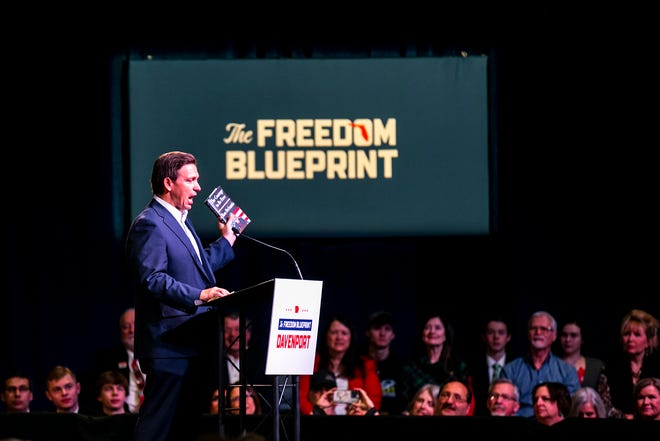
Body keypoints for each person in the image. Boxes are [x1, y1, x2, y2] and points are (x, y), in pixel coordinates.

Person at [126, 151, 239, 441]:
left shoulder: (181, 220)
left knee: (183, 429)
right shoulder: (149, 224)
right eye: (191, 180)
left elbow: (198, 267)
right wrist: (201, 294)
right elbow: (152, 279)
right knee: (156, 428)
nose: (199, 188)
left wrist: (227, 240)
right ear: (168, 183)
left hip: (192, 344)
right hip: (169, 346)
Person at [299, 314, 382, 416]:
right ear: (326, 335)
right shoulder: (312, 362)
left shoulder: (365, 364)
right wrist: (315, 415)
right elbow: (300, 397)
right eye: (334, 332)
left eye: (344, 333)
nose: (339, 337)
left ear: (351, 337)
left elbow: (374, 400)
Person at [501, 310, 580, 417]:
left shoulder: (567, 371)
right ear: (528, 334)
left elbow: (571, 407)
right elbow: (503, 405)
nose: (538, 332)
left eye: (544, 329)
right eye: (534, 328)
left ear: (554, 336)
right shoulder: (510, 370)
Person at [399, 311, 472, 412]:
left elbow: (464, 399)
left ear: (446, 334)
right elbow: (404, 401)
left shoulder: (458, 366)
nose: (432, 332)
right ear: (422, 334)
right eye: (427, 328)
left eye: (437, 328)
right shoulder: (410, 367)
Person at [599, 309, 660, 419]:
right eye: (627, 334)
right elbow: (603, 404)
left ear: (648, 341)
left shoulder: (658, 367)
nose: (630, 339)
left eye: (637, 334)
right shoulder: (611, 368)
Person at [85, 307, 145, 413]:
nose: (132, 330)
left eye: (135, 325)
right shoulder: (106, 359)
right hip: (121, 418)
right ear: (120, 331)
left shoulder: (160, 357)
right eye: (126, 327)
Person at [361, 310, 406, 415]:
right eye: (377, 328)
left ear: (393, 335)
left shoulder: (401, 367)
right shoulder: (356, 363)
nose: (382, 333)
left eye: (387, 329)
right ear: (367, 332)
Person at [469, 315, 514, 416]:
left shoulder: (516, 367)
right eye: (491, 332)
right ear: (484, 336)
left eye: (501, 333)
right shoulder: (472, 367)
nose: (496, 337)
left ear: (508, 337)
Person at [559, 319, 606, 390]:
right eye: (564, 335)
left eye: (573, 335)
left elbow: (604, 398)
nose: (568, 339)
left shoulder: (596, 367)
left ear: (582, 339)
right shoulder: (550, 365)